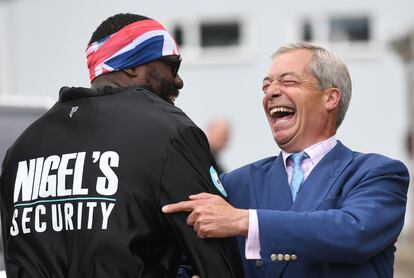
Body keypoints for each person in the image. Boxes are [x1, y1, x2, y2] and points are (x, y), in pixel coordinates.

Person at [0, 13, 243, 278]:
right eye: (172, 66)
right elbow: (218, 263)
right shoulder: (170, 131)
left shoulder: (21, 149)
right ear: (131, 66)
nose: (178, 81)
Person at [163, 42, 410, 277]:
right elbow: (190, 261)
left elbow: (354, 232)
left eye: (288, 81)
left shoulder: (379, 173)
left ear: (330, 98)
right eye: (266, 86)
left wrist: (243, 221)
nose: (271, 92)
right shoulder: (236, 184)